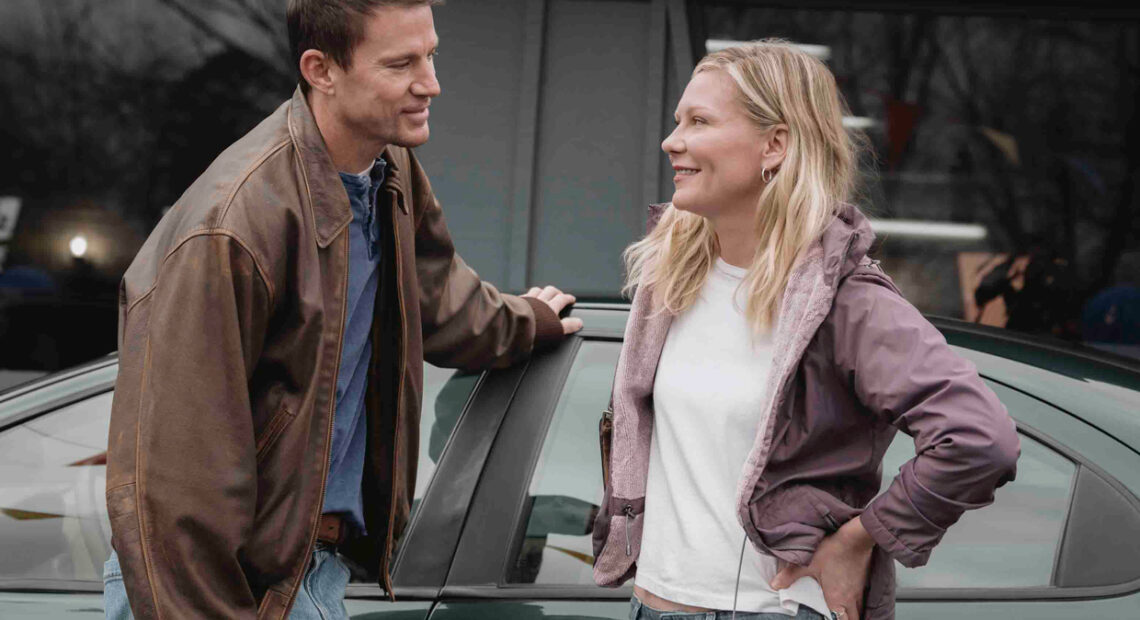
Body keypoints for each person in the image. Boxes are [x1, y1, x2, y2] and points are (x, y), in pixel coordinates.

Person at [103, 1, 582, 618]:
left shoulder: (387, 170)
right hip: (225, 585)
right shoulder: (233, 227)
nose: (431, 83)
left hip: (306, 572)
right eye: (401, 64)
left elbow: (438, 298)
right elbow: (172, 486)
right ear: (321, 70)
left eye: (431, 55)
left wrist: (530, 322)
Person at [591, 40, 1020, 620]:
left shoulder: (843, 300)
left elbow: (979, 439)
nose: (672, 141)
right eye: (677, 121)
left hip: (764, 610)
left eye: (699, 122)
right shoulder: (669, 280)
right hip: (651, 604)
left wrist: (861, 539)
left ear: (775, 144)